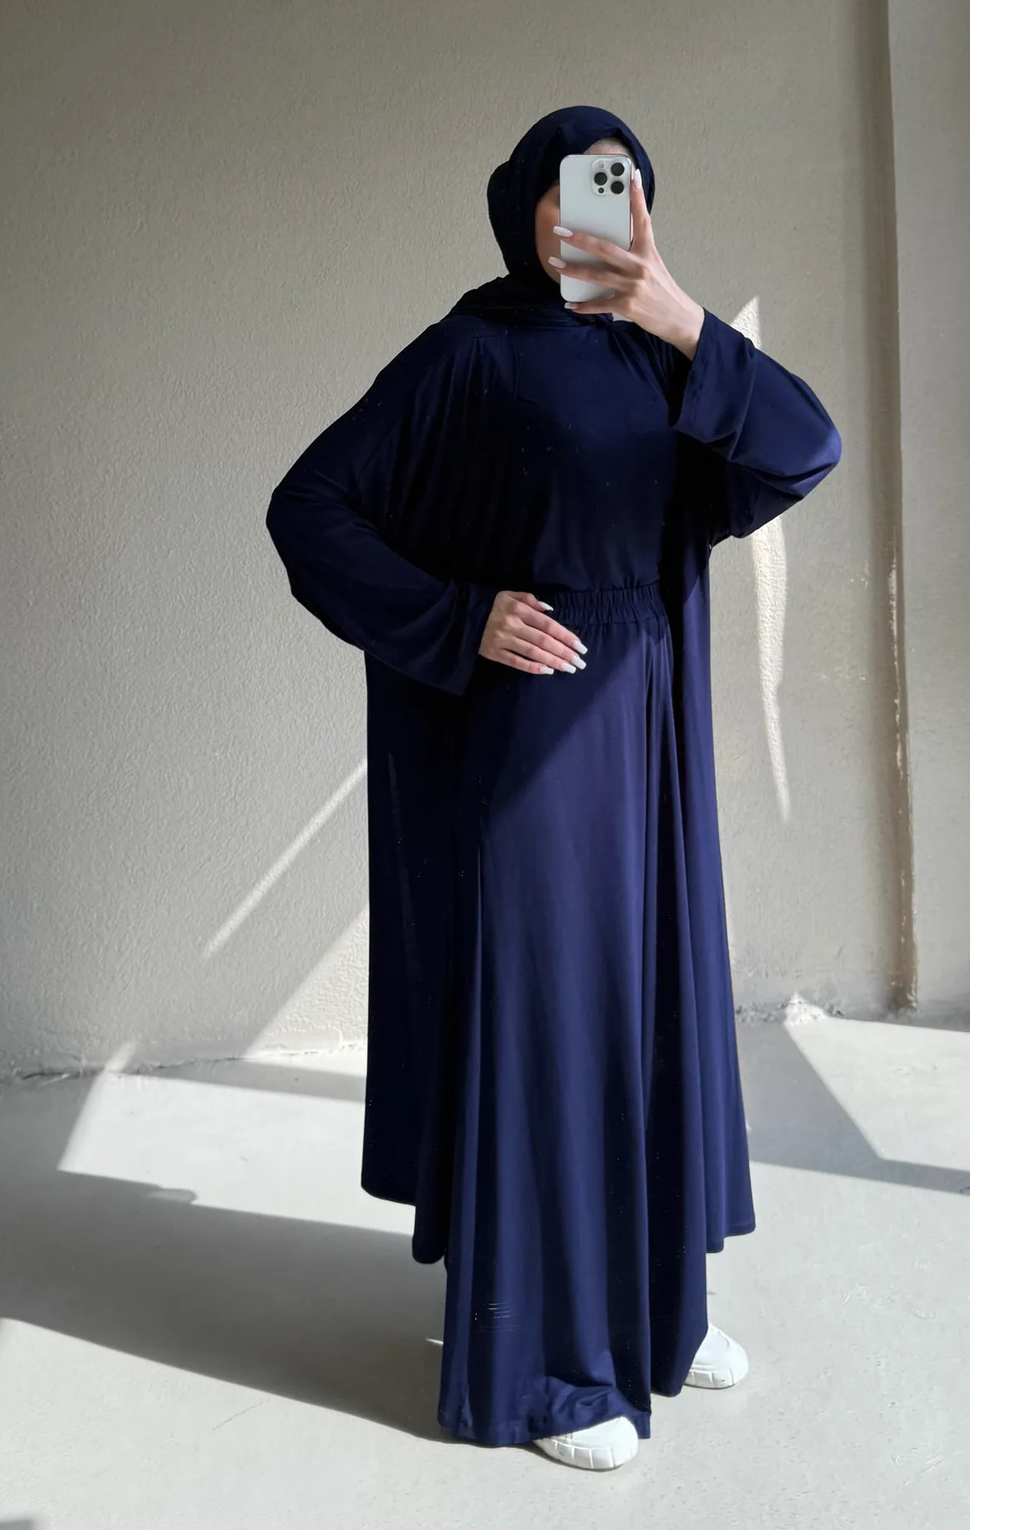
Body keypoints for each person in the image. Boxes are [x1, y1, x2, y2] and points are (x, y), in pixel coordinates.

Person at [265, 105, 842, 1471]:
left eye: (623, 185)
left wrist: (679, 315)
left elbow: (803, 446)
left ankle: (652, 1316)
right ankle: (551, 1373)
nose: (599, 209)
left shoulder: (662, 356)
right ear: (524, 203)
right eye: (575, 186)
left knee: (652, 1018)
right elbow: (311, 507)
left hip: (650, 745)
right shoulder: (471, 352)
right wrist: (460, 617)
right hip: (533, 754)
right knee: (556, 1033)